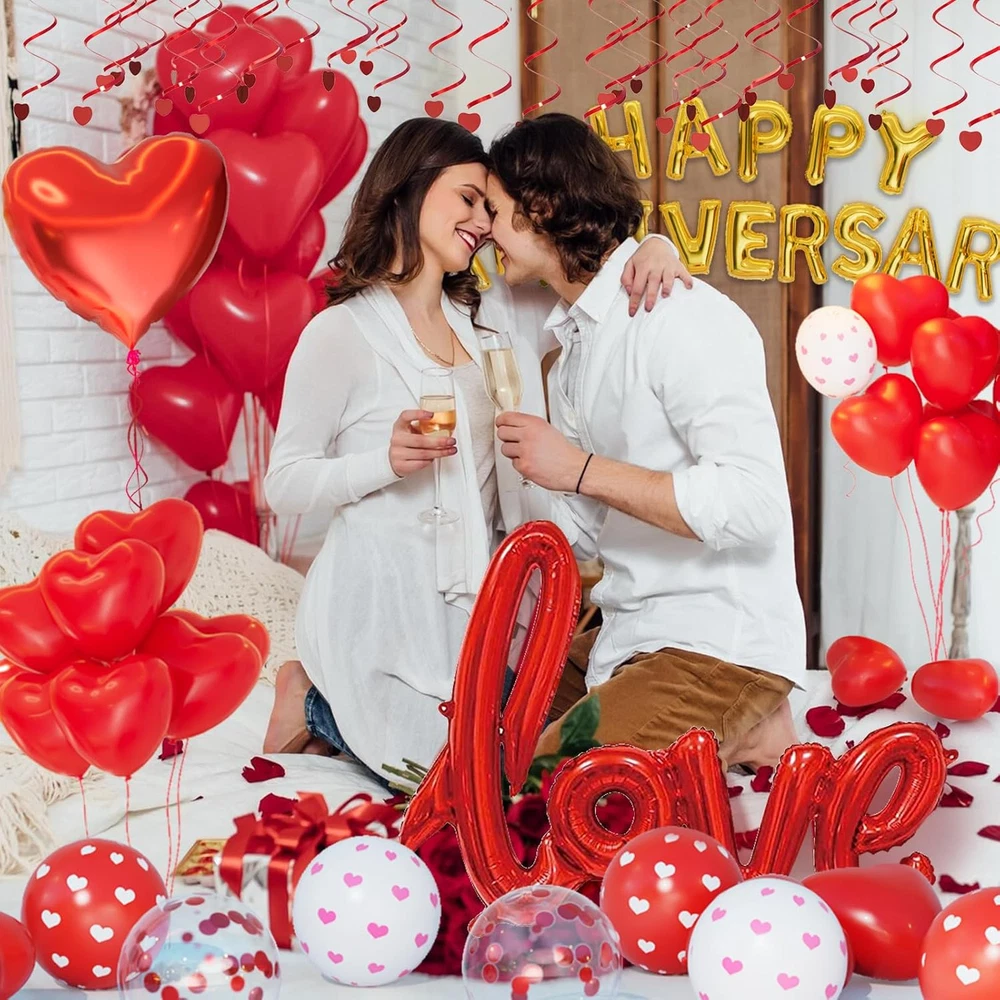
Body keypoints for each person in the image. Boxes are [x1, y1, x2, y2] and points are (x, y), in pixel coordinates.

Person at [261, 117, 692, 780]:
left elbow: (589, 278)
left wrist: (654, 244)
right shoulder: (340, 335)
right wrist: (384, 462)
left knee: (516, 767)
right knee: (442, 780)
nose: (484, 222)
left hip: (479, 610)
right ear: (411, 187)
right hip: (380, 608)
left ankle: (333, 707)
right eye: (468, 199)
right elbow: (284, 483)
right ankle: (312, 699)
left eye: (490, 209)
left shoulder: (496, 320)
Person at [488, 113, 805, 771]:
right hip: (628, 633)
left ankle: (748, 714)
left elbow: (754, 504)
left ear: (540, 207)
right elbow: (582, 532)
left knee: (547, 792)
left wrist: (579, 469)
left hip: (714, 642)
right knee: (480, 750)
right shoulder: (573, 354)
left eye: (494, 211)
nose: (487, 230)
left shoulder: (677, 317)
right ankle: (747, 731)